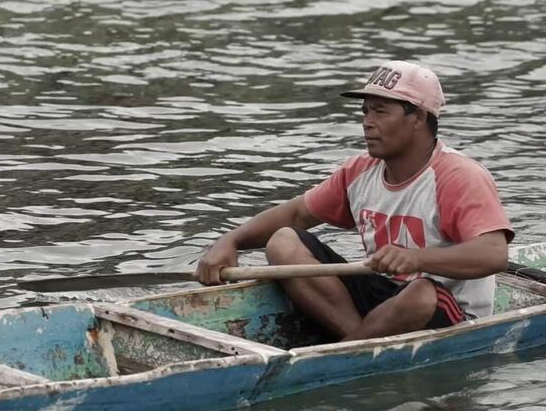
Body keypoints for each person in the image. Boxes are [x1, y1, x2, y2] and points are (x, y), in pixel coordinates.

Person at [196, 60, 513, 341]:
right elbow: (295, 215)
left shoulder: (458, 176)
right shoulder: (359, 171)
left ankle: (350, 348)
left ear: (417, 117)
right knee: (283, 242)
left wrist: (418, 259)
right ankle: (357, 342)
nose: (367, 122)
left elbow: (494, 254)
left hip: (445, 308)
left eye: (380, 111)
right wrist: (230, 241)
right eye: (365, 111)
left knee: (419, 292)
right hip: (383, 296)